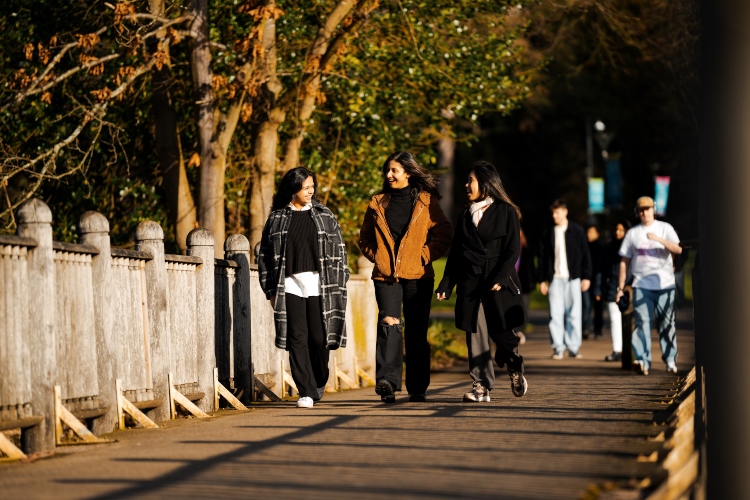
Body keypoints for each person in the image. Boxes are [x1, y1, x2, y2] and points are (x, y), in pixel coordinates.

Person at [359, 151, 452, 403]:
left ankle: (417, 387)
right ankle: (387, 382)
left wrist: (424, 255)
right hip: (386, 276)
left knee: (416, 330)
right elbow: (364, 238)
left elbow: (444, 233)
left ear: (408, 173)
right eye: (387, 170)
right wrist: (377, 256)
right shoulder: (377, 202)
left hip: (419, 275)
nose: (388, 175)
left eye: (394, 171)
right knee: (389, 324)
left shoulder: (425, 201)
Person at [436, 161, 528, 402]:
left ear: (486, 184)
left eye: (471, 181)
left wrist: (500, 277)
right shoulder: (465, 215)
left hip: (498, 281)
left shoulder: (506, 212)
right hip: (471, 283)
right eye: (466, 181)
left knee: (502, 335)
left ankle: (514, 364)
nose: (466, 185)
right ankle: (481, 385)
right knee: (475, 333)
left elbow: (512, 250)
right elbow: (456, 254)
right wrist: (446, 284)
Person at [258, 167, 350, 408]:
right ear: (293, 189)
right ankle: (306, 391)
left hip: (321, 284)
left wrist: (342, 280)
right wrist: (270, 290)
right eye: (306, 187)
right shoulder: (277, 218)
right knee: (297, 337)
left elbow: (340, 251)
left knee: (319, 338)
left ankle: (319, 380)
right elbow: (265, 256)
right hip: (289, 284)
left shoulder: (324, 215)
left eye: (312, 186)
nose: (311, 191)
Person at [616, 196, 682, 375]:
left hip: (665, 284)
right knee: (641, 323)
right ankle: (643, 361)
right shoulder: (633, 233)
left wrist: (658, 239)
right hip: (641, 285)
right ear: (637, 212)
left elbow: (678, 249)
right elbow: (624, 262)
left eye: (647, 209)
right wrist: (620, 288)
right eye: (641, 210)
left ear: (654, 209)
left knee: (667, 324)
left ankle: (670, 360)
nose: (644, 212)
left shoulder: (665, 228)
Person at [537, 199, 592, 359]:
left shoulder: (577, 230)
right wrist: (541, 280)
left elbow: (585, 254)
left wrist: (586, 277)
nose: (554, 215)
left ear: (565, 212)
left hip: (573, 278)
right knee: (555, 314)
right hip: (554, 279)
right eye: (553, 212)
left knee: (574, 314)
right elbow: (541, 257)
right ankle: (558, 347)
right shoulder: (547, 233)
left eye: (557, 212)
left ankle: (573, 347)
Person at [602, 219, 632, 362]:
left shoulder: (632, 246)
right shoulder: (609, 247)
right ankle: (617, 350)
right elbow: (602, 269)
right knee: (614, 319)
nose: (617, 232)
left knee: (631, 320)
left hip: (630, 288)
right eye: (616, 230)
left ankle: (630, 351)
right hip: (611, 287)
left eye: (621, 230)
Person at [582, 224, 604, 339]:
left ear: (597, 234)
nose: (588, 235)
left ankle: (598, 329)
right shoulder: (583, 246)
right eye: (588, 232)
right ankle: (585, 328)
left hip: (597, 281)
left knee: (598, 306)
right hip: (585, 280)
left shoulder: (600, 248)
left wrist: (599, 285)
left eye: (591, 232)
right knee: (586, 305)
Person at [516, 228, 537, 342]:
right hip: (510, 284)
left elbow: (531, 268)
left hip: (524, 284)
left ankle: (520, 331)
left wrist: (532, 282)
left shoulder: (527, 250)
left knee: (523, 308)